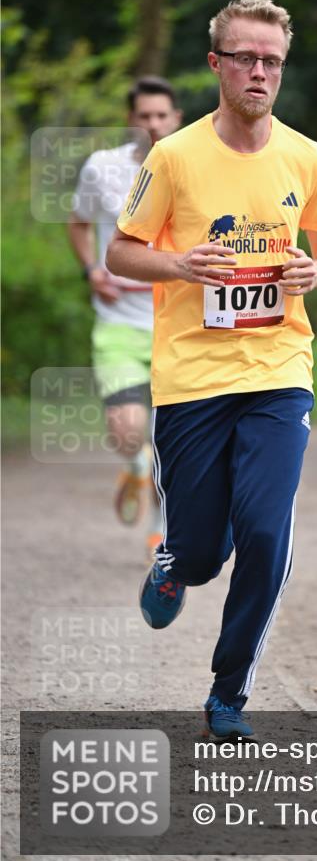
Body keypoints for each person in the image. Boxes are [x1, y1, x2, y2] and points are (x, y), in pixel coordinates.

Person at [106, 0, 317, 739]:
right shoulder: (174, 157)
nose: (259, 72)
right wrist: (180, 264)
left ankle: (228, 693)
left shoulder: (309, 158)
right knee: (205, 552)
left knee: (267, 534)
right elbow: (120, 252)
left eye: (272, 60)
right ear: (217, 64)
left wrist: (316, 273)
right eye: (245, 58)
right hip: (191, 379)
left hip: (280, 371)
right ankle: (174, 563)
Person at [69, 77, 182, 555]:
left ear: (176, 118)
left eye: (161, 115)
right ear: (130, 120)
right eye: (144, 115)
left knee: (172, 440)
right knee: (129, 431)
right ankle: (135, 467)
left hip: (179, 324)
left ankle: (162, 526)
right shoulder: (103, 168)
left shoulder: (194, 168)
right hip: (119, 320)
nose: (153, 123)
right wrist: (92, 269)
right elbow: (78, 222)